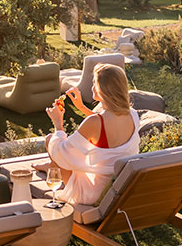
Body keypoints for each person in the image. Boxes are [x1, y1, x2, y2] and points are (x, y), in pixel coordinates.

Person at [36, 63, 140, 206]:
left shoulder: (94, 122)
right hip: (116, 187)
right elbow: (106, 124)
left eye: (94, 83)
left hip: (93, 195)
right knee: (73, 151)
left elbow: (61, 152)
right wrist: (81, 107)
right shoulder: (133, 115)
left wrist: (57, 122)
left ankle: (52, 169)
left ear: (103, 89)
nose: (92, 87)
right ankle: (50, 166)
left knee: (51, 140)